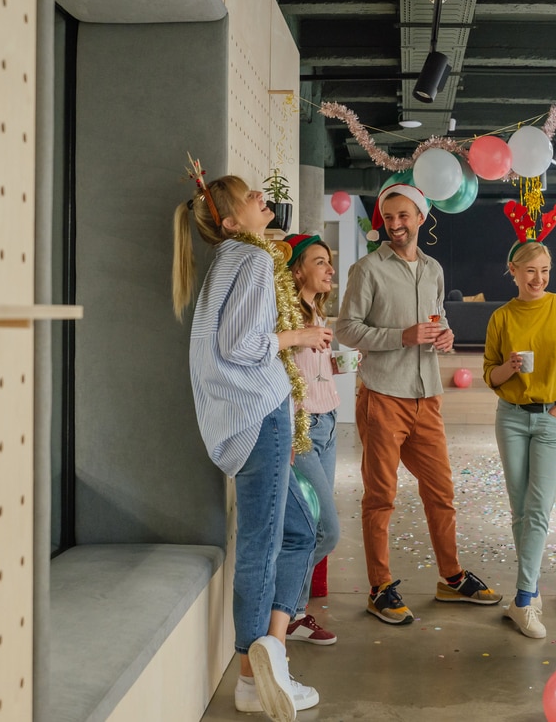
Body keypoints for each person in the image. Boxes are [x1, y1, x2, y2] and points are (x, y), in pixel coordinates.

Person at [172, 173, 332, 721]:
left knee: (300, 530)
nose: (264, 199)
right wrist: (300, 338)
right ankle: (251, 674)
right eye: (251, 197)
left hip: (249, 418)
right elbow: (242, 346)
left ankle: (272, 651)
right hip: (260, 416)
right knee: (265, 544)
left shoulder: (230, 261)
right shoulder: (255, 260)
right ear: (233, 220)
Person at [335, 182, 503, 625]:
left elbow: (438, 317)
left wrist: (444, 333)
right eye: (388, 217)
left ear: (421, 217)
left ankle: (451, 578)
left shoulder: (432, 270)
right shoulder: (367, 269)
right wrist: (400, 337)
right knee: (381, 497)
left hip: (426, 396)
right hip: (382, 395)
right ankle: (379, 588)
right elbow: (347, 330)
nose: (395, 225)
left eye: (403, 216)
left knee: (441, 494)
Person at [483, 240, 556, 638]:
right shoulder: (501, 317)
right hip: (511, 418)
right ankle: (527, 592)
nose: (539, 278)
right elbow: (489, 377)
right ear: (512, 270)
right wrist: (509, 367)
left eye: (545, 270)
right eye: (530, 270)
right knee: (520, 509)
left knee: (539, 509)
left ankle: (525, 596)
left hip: (552, 419)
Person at [283, 233, 341, 646]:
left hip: (329, 424)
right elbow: (276, 377)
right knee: (325, 530)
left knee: (313, 525)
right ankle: (282, 604)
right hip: (300, 431)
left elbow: (311, 375)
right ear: (298, 268)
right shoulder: (287, 318)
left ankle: (295, 614)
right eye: (320, 261)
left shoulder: (316, 313)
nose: (329, 268)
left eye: (328, 261)